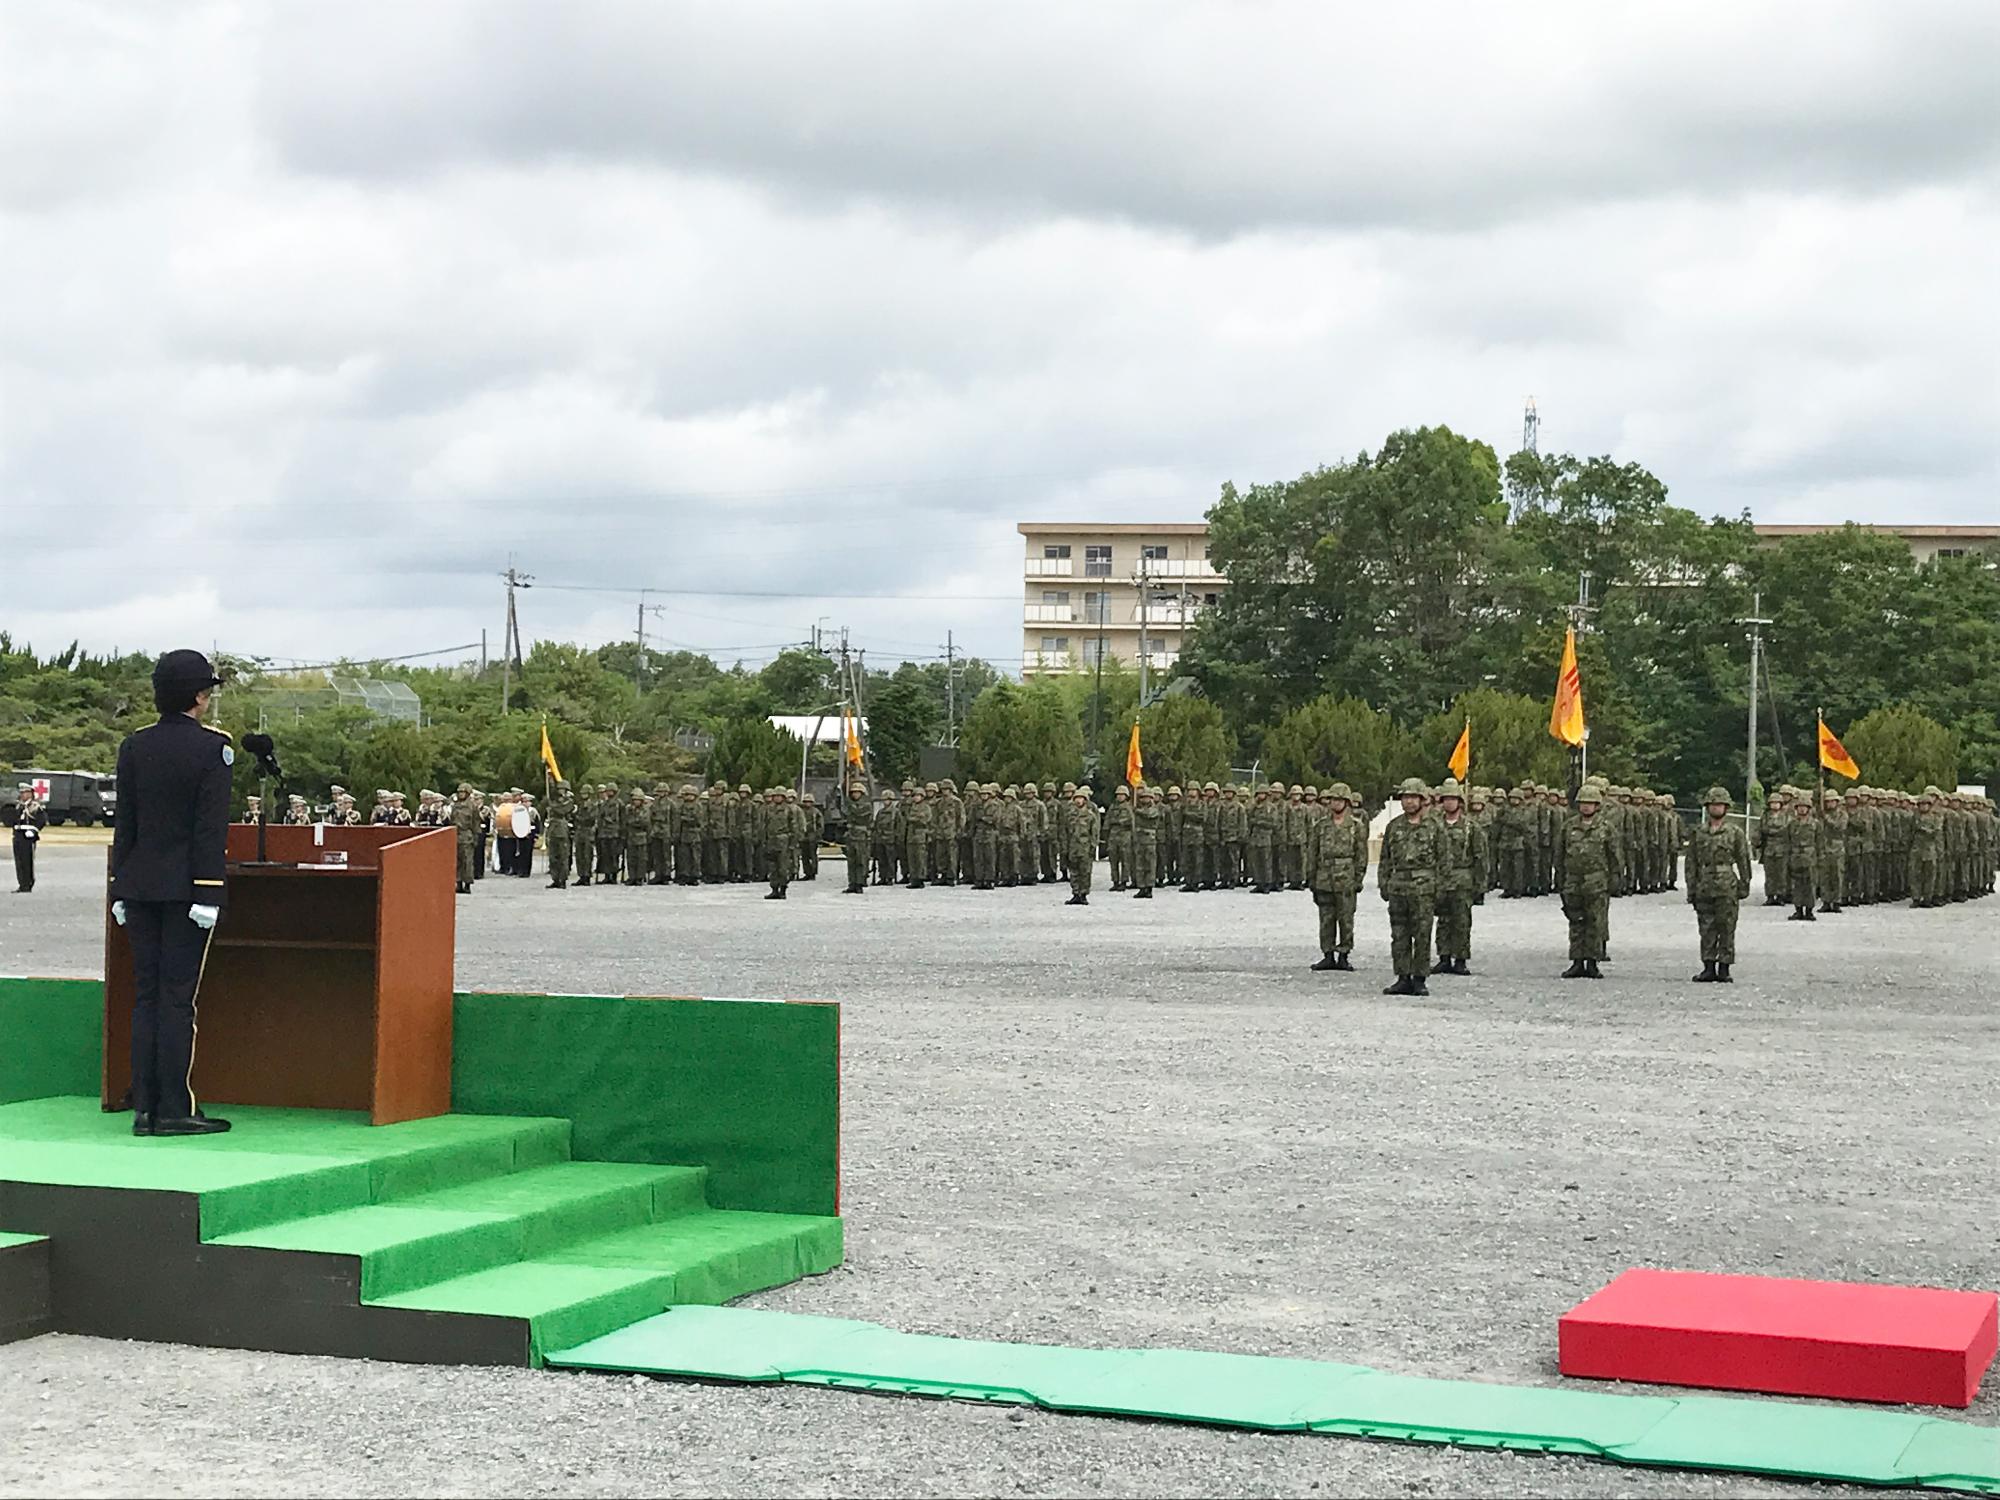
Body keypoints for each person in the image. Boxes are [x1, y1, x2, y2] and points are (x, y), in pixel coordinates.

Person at [108, 649, 233, 1137]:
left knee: (147, 998)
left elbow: (127, 824)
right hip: (186, 891)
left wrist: (121, 883)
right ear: (199, 697)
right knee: (178, 1002)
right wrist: (209, 892)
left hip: (139, 886)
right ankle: (174, 1109)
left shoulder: (134, 746)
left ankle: (144, 1107)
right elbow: (208, 829)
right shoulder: (212, 749)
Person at [1377, 777, 1444, 995]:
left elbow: (1444, 861)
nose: (1409, 802)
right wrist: (1384, 884)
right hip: (1398, 888)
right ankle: (1402, 976)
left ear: (1422, 800)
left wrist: (1439, 891)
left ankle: (1419, 978)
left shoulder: (1435, 827)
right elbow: (1385, 859)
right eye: (1405, 797)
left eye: (1413, 797)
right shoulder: (1393, 826)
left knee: (1422, 935)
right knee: (1399, 935)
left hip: (1424, 890)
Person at [1686, 787, 1752, 982]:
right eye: (1713, 805)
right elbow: (1691, 863)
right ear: (1708, 807)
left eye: (1720, 805)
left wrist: (1744, 884)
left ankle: (1724, 967)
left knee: (1726, 926)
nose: (1716, 808)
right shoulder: (1698, 832)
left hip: (1726, 885)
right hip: (1704, 884)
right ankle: (1708, 966)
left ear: (1726, 807)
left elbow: (1743, 859)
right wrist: (1691, 889)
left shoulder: (1735, 832)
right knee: (1706, 927)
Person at [1305, 782, 1368, 972]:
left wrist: (1358, 878)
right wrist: (1311, 877)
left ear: (1347, 802)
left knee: (1346, 918)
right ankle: (1328, 954)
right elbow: (1312, 852)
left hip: (1346, 877)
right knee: (1326, 918)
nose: (1336, 803)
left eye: (1340, 800)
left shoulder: (1356, 827)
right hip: (1324, 876)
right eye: (1333, 799)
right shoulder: (1321, 826)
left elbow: (1361, 855)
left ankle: (1343, 954)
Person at [1555, 785, 1613, 978]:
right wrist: (1560, 880)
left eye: (1590, 803)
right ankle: (1577, 961)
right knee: (1576, 922)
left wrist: (1614, 882)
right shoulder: (1568, 827)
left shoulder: (1606, 827)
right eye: (1583, 803)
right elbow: (1560, 855)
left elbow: (1614, 856)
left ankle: (1592, 962)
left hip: (1597, 882)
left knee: (1595, 923)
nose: (1586, 807)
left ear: (1597, 805)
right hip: (1573, 881)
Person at [1432, 777, 1485, 976]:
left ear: (1460, 802)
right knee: (1443, 920)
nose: (1449, 803)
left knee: (1462, 921)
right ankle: (1444, 957)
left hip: (1463, 879)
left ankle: (1460, 959)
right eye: (1446, 799)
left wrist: (1480, 885)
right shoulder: (1435, 826)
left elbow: (1480, 857)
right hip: (1441, 879)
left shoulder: (1471, 828)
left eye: (1453, 799)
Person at [6, 785, 46, 893]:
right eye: (22, 793)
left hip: (28, 838)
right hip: (18, 836)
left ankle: (28, 883)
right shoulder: (19, 806)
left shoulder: (35, 807)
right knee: (19, 862)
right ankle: (21, 884)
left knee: (27, 861)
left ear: (30, 793)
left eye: (25, 792)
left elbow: (41, 821)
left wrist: (33, 831)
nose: (23, 795)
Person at [1063, 786, 1098, 905]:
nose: (1078, 801)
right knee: (1074, 872)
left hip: (1085, 847)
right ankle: (1075, 893)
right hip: (1073, 847)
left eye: (1081, 798)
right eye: (1076, 798)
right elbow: (1065, 832)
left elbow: (1094, 833)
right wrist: (1065, 847)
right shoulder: (1070, 815)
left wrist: (1093, 847)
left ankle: (1083, 894)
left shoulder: (1090, 816)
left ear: (1085, 800)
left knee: (1085, 872)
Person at [842, 783, 873, 894]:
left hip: (861, 836)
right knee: (851, 861)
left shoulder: (866, 805)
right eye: (853, 792)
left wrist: (850, 806)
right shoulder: (850, 805)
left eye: (857, 792)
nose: (855, 794)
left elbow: (859, 815)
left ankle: (860, 882)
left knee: (860, 861)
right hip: (851, 835)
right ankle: (852, 883)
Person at [544, 780, 575, 889]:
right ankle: (555, 878)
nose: (560, 791)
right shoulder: (555, 801)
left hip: (562, 830)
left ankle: (562, 879)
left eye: (562, 789)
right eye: (559, 789)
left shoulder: (569, 801)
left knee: (563, 857)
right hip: (553, 830)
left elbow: (562, 811)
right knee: (553, 857)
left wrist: (551, 805)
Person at [1132, 784, 1161, 898]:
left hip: (1149, 840)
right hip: (1139, 840)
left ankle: (1149, 887)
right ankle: (1141, 887)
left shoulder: (1154, 809)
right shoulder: (1138, 809)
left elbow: (1149, 815)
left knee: (1150, 865)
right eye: (1143, 797)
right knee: (1140, 865)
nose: (1145, 799)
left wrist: (1137, 811)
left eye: (1147, 797)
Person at [451, 783, 480, 894]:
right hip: (456, 835)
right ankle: (458, 883)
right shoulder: (455, 805)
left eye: (463, 792)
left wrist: (475, 836)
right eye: (459, 792)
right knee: (457, 861)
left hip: (467, 835)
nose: (461, 794)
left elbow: (475, 823)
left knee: (467, 861)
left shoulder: (472, 807)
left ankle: (467, 884)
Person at [1105, 784, 1134, 890]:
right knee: (1113, 860)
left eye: (1122, 795)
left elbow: (1132, 822)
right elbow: (1107, 821)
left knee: (1125, 860)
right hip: (1113, 835)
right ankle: (1115, 881)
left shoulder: (1129, 808)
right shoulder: (1112, 807)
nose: (1120, 797)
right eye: (1118, 795)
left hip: (1125, 835)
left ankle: (1124, 881)